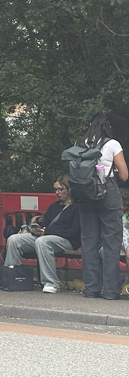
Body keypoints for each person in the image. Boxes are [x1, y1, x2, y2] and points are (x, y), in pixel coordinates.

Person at [77, 112, 128, 300]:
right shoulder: (112, 144)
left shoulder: (80, 144)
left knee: (89, 241)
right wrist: (112, 168)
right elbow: (124, 175)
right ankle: (110, 291)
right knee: (111, 242)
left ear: (90, 125)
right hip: (107, 193)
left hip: (85, 194)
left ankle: (91, 289)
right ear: (108, 127)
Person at [0, 174, 80, 293]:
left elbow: (74, 231)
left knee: (42, 241)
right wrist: (36, 230)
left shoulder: (77, 207)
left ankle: (51, 283)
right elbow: (45, 224)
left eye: (60, 189)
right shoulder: (54, 206)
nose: (57, 193)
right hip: (45, 236)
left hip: (67, 240)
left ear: (69, 190)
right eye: (55, 190)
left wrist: (48, 232)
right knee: (14, 239)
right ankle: (10, 278)